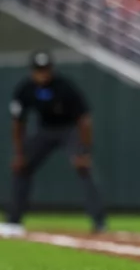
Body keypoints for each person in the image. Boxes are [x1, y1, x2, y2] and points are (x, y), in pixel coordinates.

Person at [1, 51, 106, 237]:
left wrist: (84, 150)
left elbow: (85, 120)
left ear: (51, 69)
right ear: (32, 71)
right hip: (44, 131)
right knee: (21, 168)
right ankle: (13, 220)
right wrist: (19, 153)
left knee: (84, 167)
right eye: (39, 70)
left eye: (46, 70)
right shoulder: (26, 88)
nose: (43, 74)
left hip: (68, 130)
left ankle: (99, 221)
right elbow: (18, 124)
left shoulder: (64, 86)